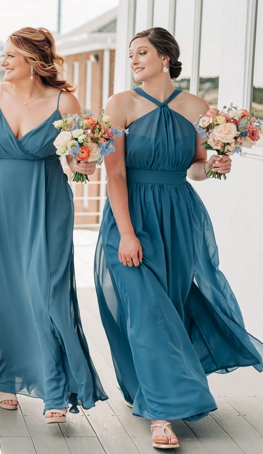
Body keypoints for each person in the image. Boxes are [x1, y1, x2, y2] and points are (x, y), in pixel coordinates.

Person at [95, 27, 263, 449]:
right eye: (131, 54)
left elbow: (197, 169)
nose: (133, 61)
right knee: (147, 311)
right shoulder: (120, 105)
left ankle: (158, 390)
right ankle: (162, 415)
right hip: (130, 215)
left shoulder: (196, 106)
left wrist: (218, 164)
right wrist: (127, 233)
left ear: (166, 58)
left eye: (142, 52)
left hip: (178, 216)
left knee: (168, 308)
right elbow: (113, 172)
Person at [0, 26, 107, 424]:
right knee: (2, 288)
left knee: (48, 291)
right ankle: (5, 375)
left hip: (47, 201)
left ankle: (56, 388)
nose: (4, 62)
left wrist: (85, 162)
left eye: (11, 55)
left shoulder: (65, 101)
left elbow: (79, 162)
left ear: (34, 61)